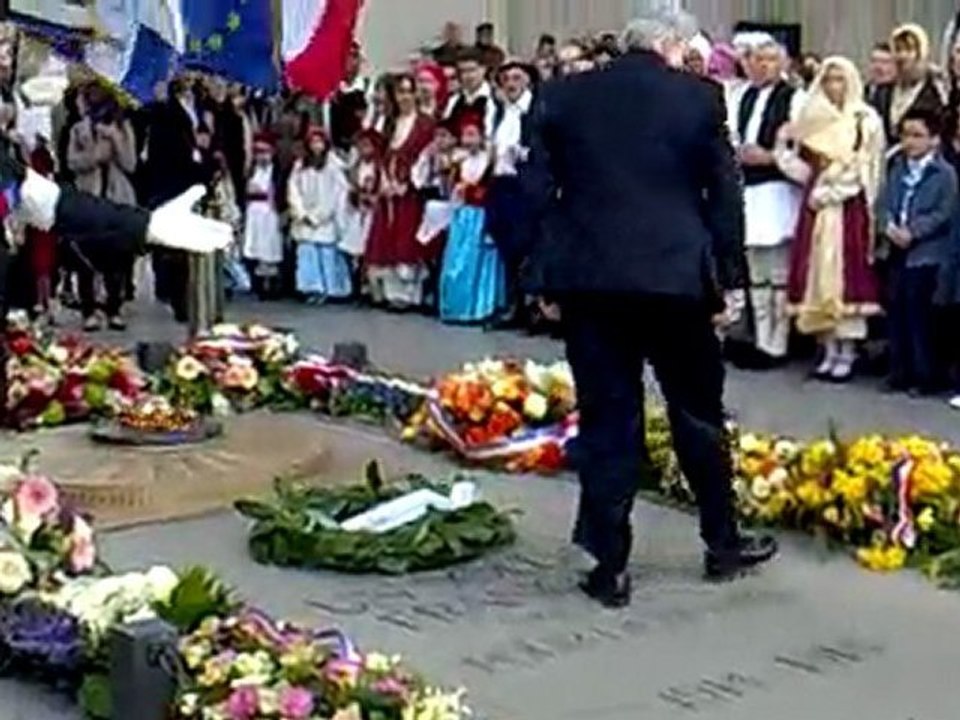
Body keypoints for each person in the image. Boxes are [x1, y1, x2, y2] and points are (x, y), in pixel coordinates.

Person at [519, 11, 776, 608]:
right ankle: (722, 540)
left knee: (609, 416)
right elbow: (724, 193)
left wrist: (542, 278)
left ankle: (609, 565)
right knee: (696, 410)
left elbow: (536, 191)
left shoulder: (562, 95)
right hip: (675, 277)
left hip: (591, 280)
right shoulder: (700, 98)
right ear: (668, 46)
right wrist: (728, 280)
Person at [780, 57, 885, 383]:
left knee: (845, 274)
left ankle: (848, 352)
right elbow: (801, 163)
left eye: (840, 79)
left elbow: (868, 165)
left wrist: (834, 191)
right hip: (816, 208)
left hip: (848, 208)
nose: (833, 86)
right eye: (828, 79)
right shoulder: (812, 116)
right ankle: (827, 348)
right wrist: (783, 154)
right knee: (815, 273)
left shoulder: (864, 120)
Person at [729, 36, 806, 368]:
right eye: (756, 59)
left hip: (778, 190)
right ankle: (761, 339)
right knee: (756, 273)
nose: (761, 65)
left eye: (770, 59)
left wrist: (772, 157)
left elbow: (803, 145)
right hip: (748, 190)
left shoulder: (796, 98)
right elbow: (729, 133)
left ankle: (779, 343)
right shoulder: (740, 94)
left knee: (779, 272)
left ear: (783, 64)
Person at [883, 109, 958, 396]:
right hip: (897, 249)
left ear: (935, 140)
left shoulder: (945, 173)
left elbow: (944, 212)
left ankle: (925, 375)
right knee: (897, 309)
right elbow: (884, 201)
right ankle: (899, 371)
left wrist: (913, 231)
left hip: (927, 253)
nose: (910, 142)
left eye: (918, 136)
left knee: (920, 316)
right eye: (905, 135)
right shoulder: (897, 167)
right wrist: (888, 225)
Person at [67, 83, 138, 331]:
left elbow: (131, 164)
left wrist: (115, 140)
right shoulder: (79, 128)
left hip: (117, 198)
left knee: (116, 257)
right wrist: (94, 155)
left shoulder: (122, 127)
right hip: (89, 196)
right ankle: (89, 309)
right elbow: (71, 162)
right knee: (86, 257)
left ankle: (114, 307)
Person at [366, 74, 435, 310]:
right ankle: (388, 292)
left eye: (408, 91)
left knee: (406, 237)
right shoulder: (389, 122)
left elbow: (426, 157)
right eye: (399, 92)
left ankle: (408, 295)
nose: (404, 97)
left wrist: (408, 184)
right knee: (386, 235)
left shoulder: (426, 124)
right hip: (388, 190)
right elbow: (380, 155)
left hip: (411, 192)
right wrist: (384, 180)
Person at [438, 113, 505, 323]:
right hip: (462, 215)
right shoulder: (459, 161)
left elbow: (491, 189)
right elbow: (448, 188)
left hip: (480, 215)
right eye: (465, 135)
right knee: (456, 260)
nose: (468, 140)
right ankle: (455, 307)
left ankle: (477, 308)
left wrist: (471, 191)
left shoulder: (489, 160)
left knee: (477, 259)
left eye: (472, 135)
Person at [485, 60, 536, 330]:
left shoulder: (534, 112)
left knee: (523, 246)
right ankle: (513, 304)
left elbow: (540, 149)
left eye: (517, 78)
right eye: (507, 79)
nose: (511, 84)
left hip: (523, 186)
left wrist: (524, 154)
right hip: (501, 183)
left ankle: (529, 307)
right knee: (505, 246)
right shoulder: (500, 112)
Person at [288, 127, 351, 303]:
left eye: (319, 142)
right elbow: (293, 189)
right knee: (307, 253)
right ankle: (311, 288)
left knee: (327, 254)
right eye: (313, 142)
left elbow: (337, 194)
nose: (316, 146)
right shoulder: (300, 165)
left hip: (326, 219)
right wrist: (301, 213)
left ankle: (332, 288)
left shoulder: (334, 166)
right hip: (305, 218)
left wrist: (319, 216)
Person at [871, 24, 946, 146]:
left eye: (909, 50)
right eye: (898, 49)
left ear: (921, 53)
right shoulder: (882, 92)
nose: (902, 56)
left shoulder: (936, 91)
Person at [243, 133, 284, 299]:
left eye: (265, 152)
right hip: (254, 211)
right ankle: (258, 283)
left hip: (269, 212)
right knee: (256, 247)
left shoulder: (277, 171)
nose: (262, 156)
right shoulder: (252, 170)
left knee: (270, 247)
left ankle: (272, 283)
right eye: (258, 152)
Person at [327, 43, 371, 155]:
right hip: (334, 154)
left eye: (354, 56)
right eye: (346, 56)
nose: (350, 61)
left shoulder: (368, 88)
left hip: (362, 152)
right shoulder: (330, 91)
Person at [444, 49, 496, 137]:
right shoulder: (454, 100)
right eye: (463, 71)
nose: (468, 76)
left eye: (472, 70)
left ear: (484, 69)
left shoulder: (495, 99)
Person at [865, 42, 896, 107]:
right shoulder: (861, 92)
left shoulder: (899, 96)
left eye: (884, 62)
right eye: (873, 61)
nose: (877, 67)